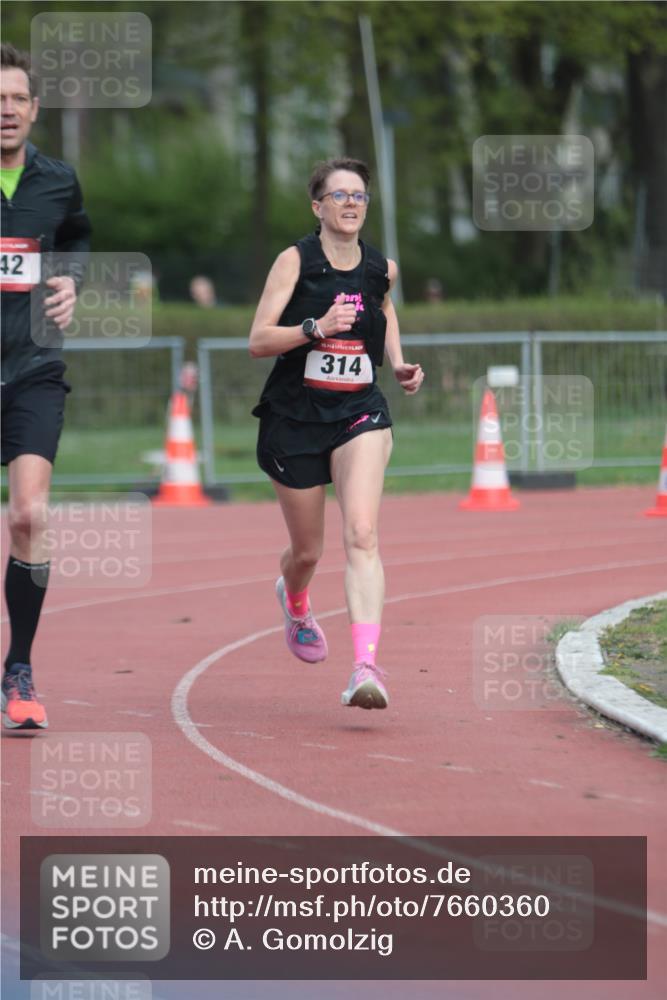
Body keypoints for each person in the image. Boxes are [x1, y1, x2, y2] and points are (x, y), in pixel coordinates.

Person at [249, 157, 424, 710]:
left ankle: (365, 667)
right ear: (317, 206)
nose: (351, 204)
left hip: (358, 412)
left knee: (363, 534)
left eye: (360, 196)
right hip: (294, 419)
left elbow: (385, 309)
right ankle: (295, 599)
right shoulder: (294, 261)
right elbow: (257, 340)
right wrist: (314, 329)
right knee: (307, 551)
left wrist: (395, 362)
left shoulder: (381, 267)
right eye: (339, 195)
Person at [1, 43, 91, 729]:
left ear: (35, 109)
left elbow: (78, 240)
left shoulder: (58, 180)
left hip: (33, 369)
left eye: (16, 99)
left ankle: (20, 669)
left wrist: (70, 280)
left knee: (29, 515)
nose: (5, 110)